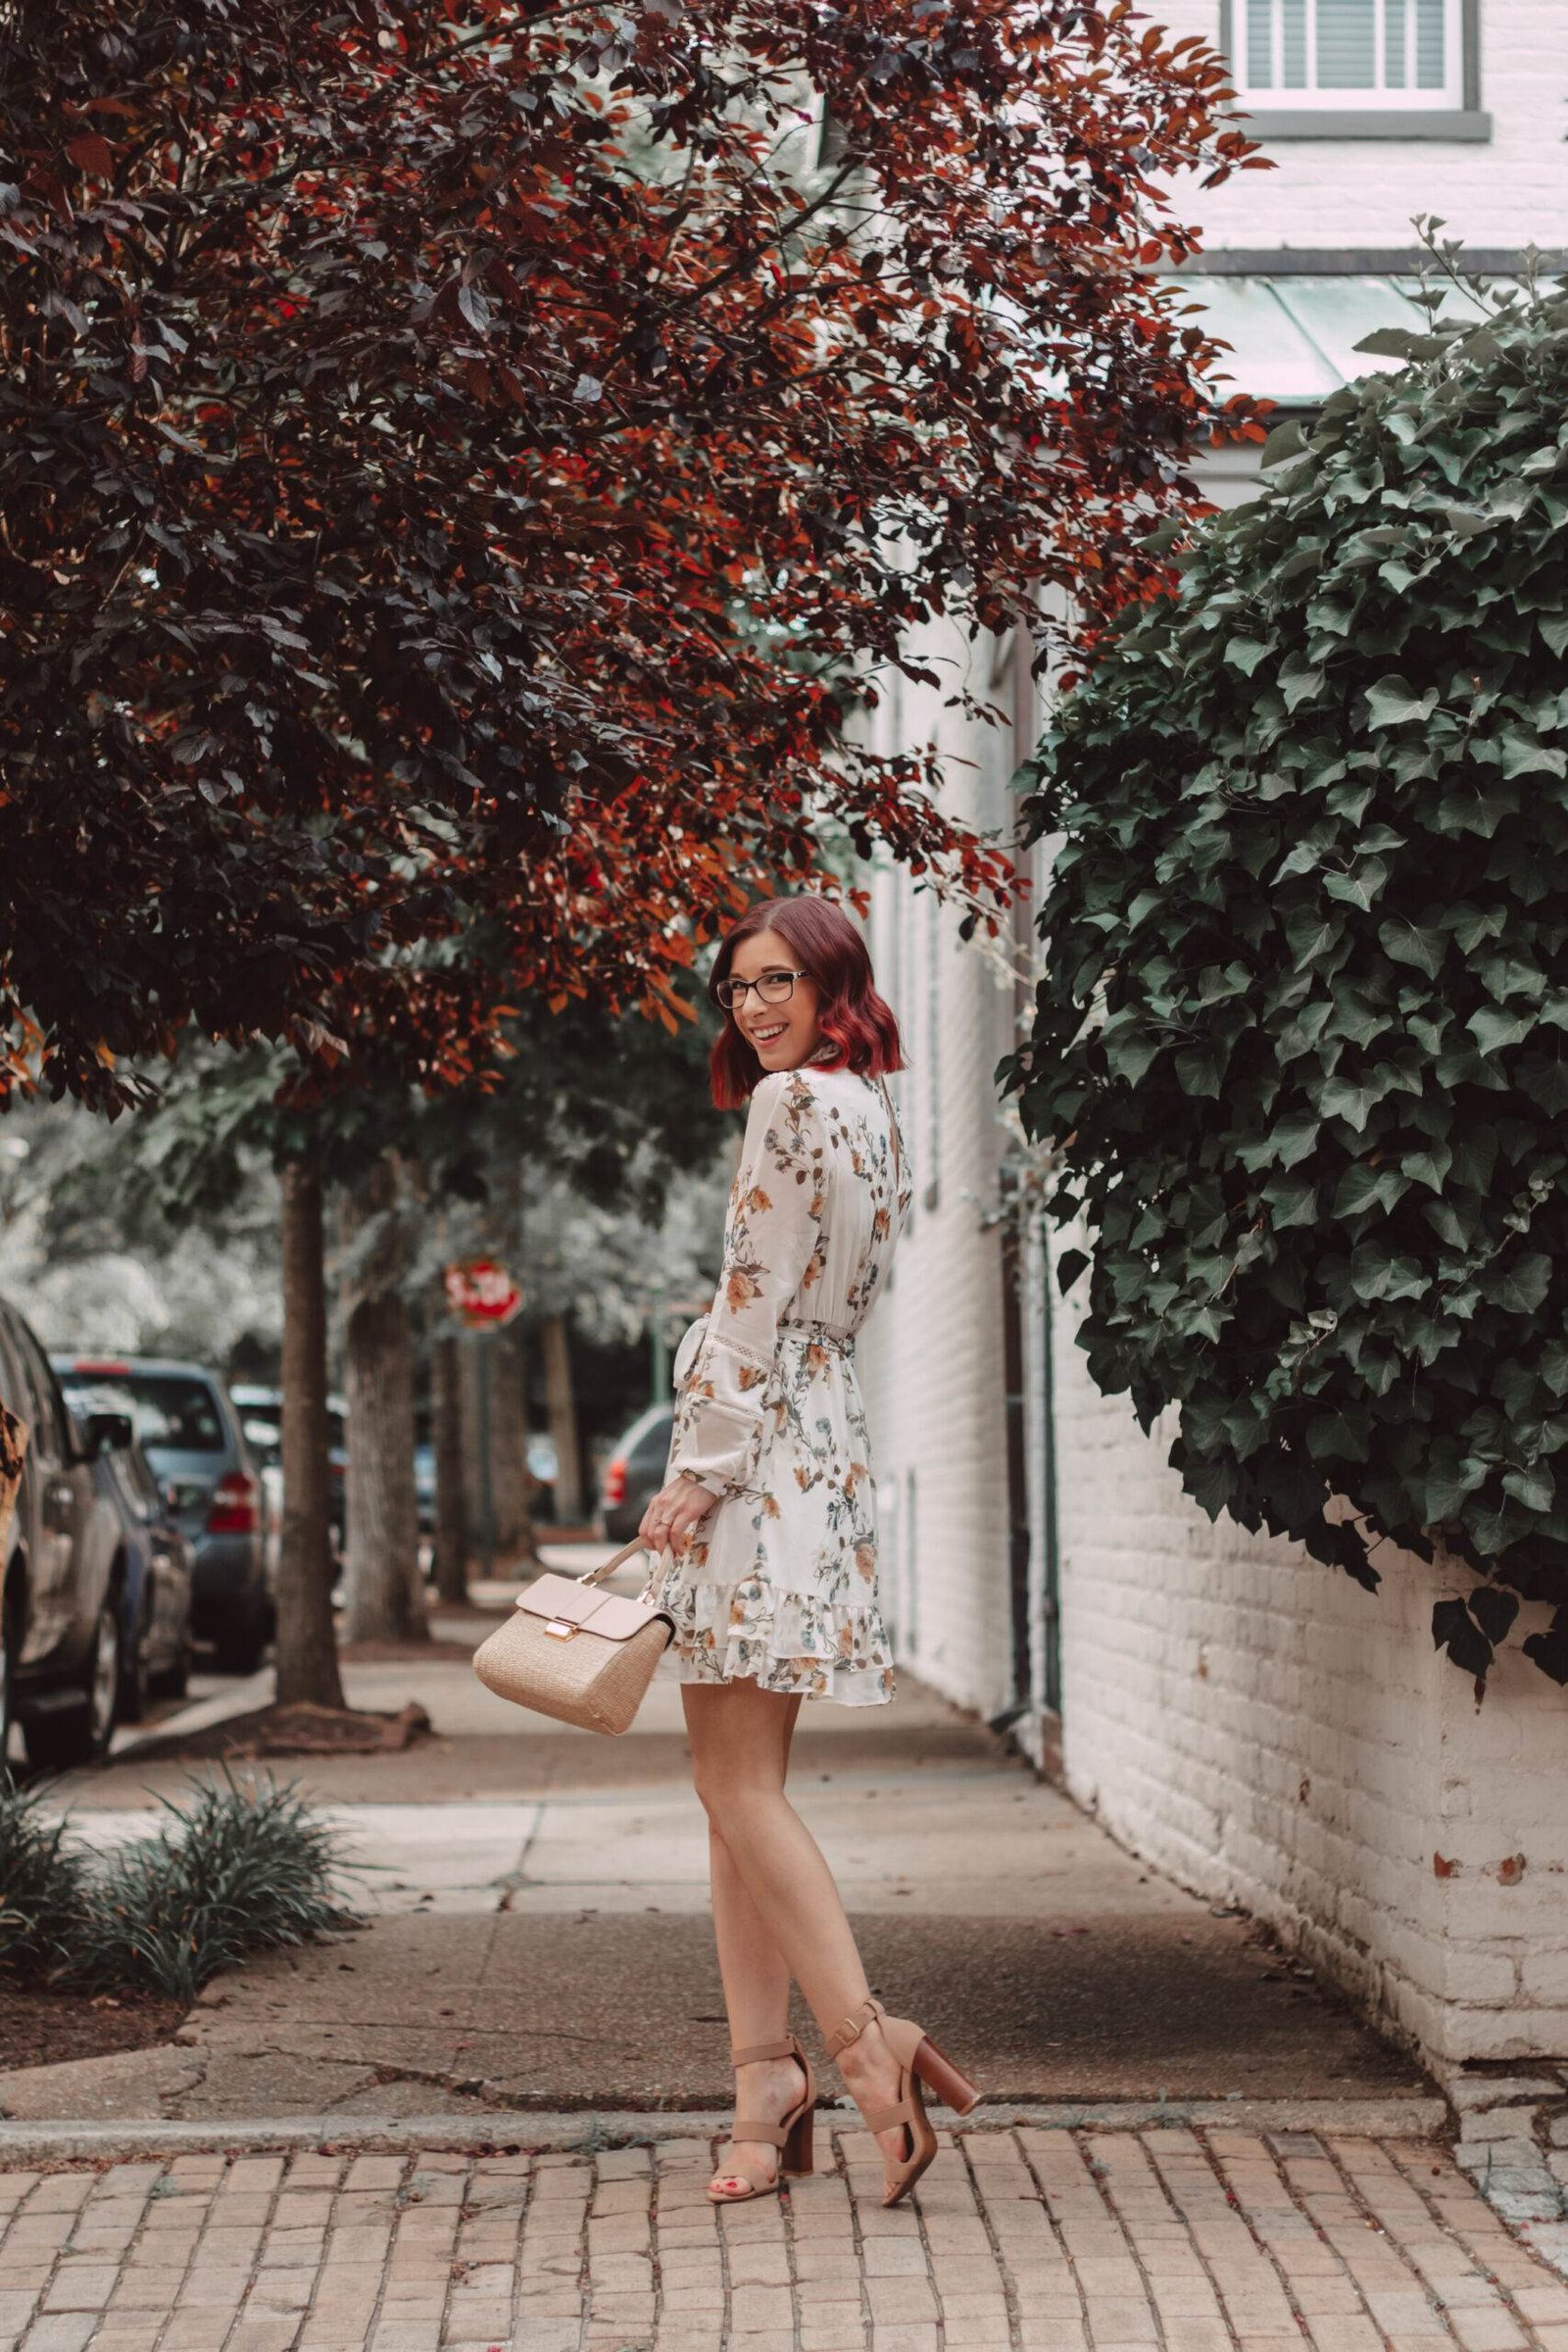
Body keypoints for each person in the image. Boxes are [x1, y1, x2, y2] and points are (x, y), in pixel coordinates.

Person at [638, 893, 980, 2209]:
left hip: (761, 1458)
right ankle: (760, 2082)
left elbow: (751, 1304)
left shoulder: (790, 1109)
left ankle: (861, 2041)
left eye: (778, 980)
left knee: (735, 1792)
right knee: (736, 1791)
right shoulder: (868, 1107)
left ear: (834, 980)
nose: (755, 1006)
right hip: (821, 1454)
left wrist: (699, 1473)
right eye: (736, 989)